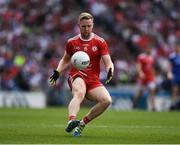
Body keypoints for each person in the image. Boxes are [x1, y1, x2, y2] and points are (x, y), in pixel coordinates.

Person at [49, 12, 114, 137]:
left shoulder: (100, 42)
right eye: (84, 26)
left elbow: (108, 61)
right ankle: (71, 120)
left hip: (93, 79)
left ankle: (82, 123)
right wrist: (58, 71)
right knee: (79, 93)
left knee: (106, 100)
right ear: (79, 25)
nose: (86, 29)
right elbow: (65, 60)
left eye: (89, 26)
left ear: (93, 25)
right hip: (77, 75)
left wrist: (110, 69)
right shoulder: (72, 42)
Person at [132, 45, 156, 111]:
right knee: (139, 93)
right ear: (146, 49)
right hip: (143, 78)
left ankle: (153, 107)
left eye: (150, 49)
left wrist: (154, 76)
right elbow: (138, 65)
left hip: (150, 77)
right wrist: (140, 72)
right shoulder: (141, 57)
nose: (149, 50)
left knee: (152, 91)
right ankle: (134, 104)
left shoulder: (152, 57)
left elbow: (152, 68)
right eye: (148, 49)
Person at [167, 41, 180, 110]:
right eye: (176, 47)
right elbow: (170, 66)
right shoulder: (172, 56)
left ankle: (177, 104)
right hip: (175, 75)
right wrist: (169, 73)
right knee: (174, 90)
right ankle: (173, 105)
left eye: (178, 47)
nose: (177, 48)